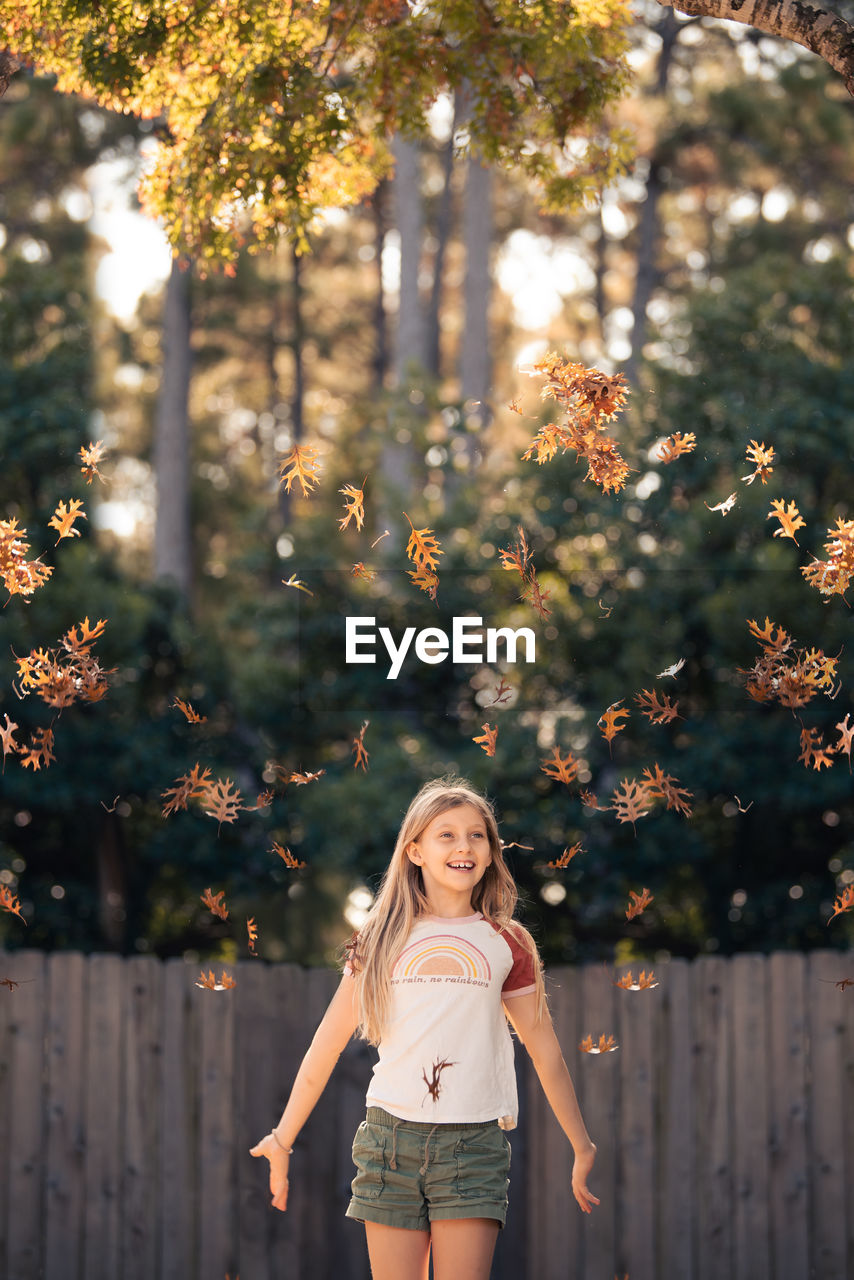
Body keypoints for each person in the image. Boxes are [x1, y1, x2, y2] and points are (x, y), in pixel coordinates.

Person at [250, 775, 598, 1280]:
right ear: (415, 851)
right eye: (447, 834)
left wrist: (582, 1144)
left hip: (473, 1147)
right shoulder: (379, 937)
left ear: (491, 850)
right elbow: (324, 1048)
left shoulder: (507, 941)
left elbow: (545, 1052)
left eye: (477, 834)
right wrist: (282, 1139)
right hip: (388, 1145)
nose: (465, 846)